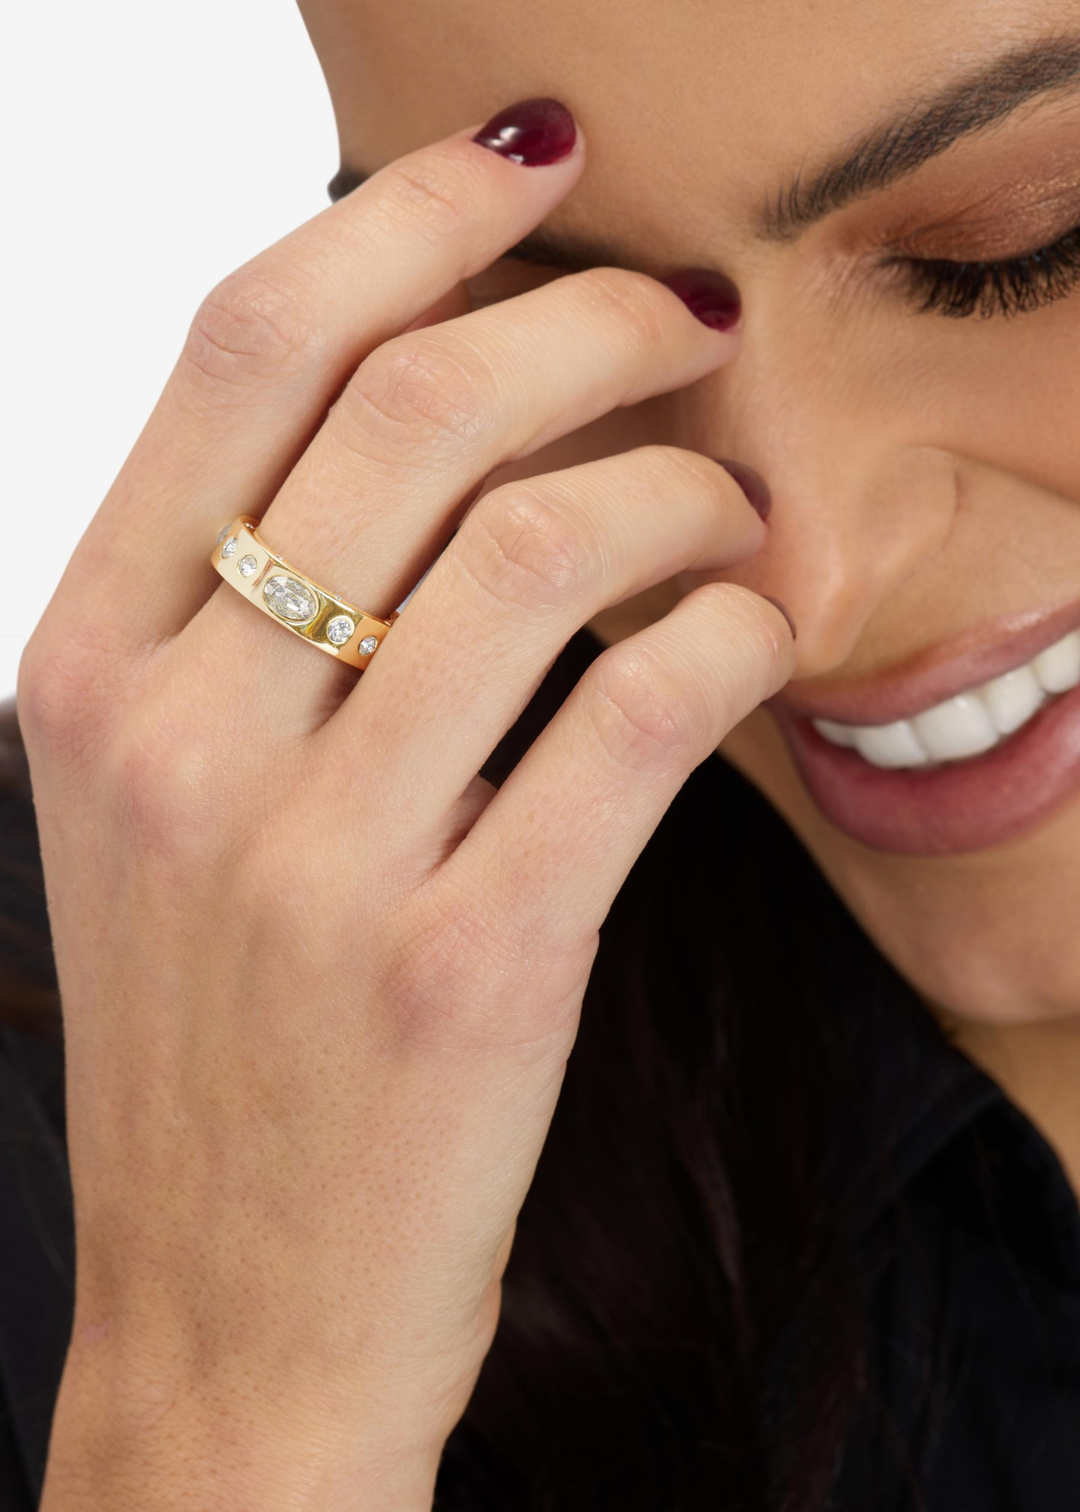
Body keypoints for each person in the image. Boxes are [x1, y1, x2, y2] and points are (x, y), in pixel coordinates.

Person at [2, 0, 1080, 1506]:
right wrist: (229, 1411)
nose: (799, 596)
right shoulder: (106, 1039)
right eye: (546, 306)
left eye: (1014, 252)